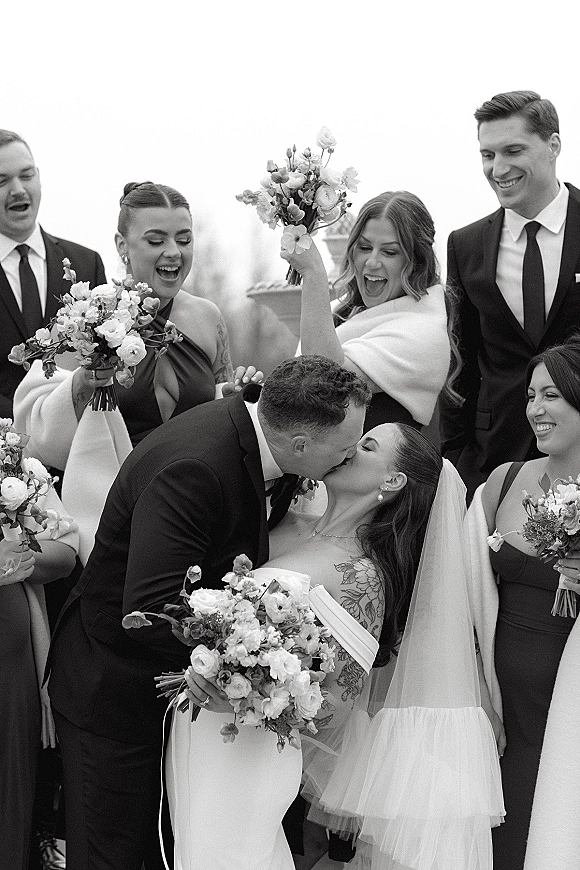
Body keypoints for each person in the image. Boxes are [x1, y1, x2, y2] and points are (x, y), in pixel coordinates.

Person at [47, 355, 371, 870]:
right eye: (348, 443)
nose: (352, 452)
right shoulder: (196, 467)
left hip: (162, 696)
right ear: (302, 444)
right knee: (115, 855)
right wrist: (250, 656)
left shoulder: (260, 439)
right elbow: (152, 605)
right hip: (112, 688)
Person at [165, 423, 504, 869]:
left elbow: (335, 704)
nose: (349, 448)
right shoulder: (285, 524)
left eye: (367, 446)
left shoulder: (361, 575)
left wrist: (241, 695)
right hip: (199, 732)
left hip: (247, 749)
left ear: (393, 480)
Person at [14, 180, 257, 570]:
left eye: (184, 238)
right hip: (112, 514)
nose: (173, 252)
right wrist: (83, 381)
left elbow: (216, 410)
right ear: (122, 245)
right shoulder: (89, 318)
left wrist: (235, 394)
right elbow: (36, 417)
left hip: (193, 511)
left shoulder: (207, 317)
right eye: (156, 240)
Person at [468, 336, 580, 870]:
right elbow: (466, 586)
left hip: (568, 706)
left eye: (552, 395)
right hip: (502, 706)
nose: (535, 409)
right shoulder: (504, 481)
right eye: (531, 395)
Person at [440, 90, 580, 501]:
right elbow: (459, 363)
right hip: (493, 463)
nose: (498, 168)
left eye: (512, 150)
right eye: (488, 155)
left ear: (553, 145)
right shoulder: (465, 245)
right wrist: (457, 460)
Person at [282, 190, 457, 433]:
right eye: (364, 247)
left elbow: (322, 382)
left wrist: (313, 275)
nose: (372, 262)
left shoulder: (423, 332)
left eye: (389, 252)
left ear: (417, 261)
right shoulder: (341, 314)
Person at [0, 129, 106, 419]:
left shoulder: (86, 264)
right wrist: (25, 431)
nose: (18, 189)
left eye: (27, 175)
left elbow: (101, 359)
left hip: (75, 447)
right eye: (2, 181)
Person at [0, 485, 78, 870]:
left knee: (9, 808)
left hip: (11, 671)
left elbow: (65, 551)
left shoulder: (9, 462)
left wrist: (18, 554)